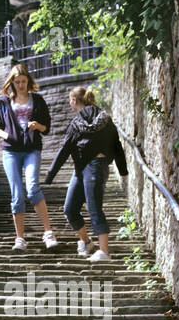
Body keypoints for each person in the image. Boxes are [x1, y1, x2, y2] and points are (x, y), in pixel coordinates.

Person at [45, 86, 127, 261]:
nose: (70, 104)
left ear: (74, 101)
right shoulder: (105, 119)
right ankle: (87, 242)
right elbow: (117, 145)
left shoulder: (78, 122)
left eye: (70, 101)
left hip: (95, 165)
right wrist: (123, 170)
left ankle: (104, 252)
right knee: (70, 209)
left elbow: (64, 149)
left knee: (94, 207)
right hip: (82, 169)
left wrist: (49, 175)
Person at [0, 62, 58, 250]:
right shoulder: (5, 102)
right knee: (16, 194)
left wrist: (37, 126)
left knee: (33, 188)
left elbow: (46, 127)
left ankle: (48, 233)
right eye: (17, 82)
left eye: (23, 81)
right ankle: (20, 238)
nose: (20, 85)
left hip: (31, 149)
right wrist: (6, 135)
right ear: (11, 83)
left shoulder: (37, 100)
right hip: (10, 151)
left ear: (28, 81)